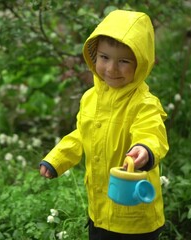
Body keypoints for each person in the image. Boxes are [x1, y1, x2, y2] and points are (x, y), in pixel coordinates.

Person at [39, 9, 169, 240]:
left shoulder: (143, 103)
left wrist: (145, 149)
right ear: (94, 56)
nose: (111, 69)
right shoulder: (91, 98)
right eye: (104, 57)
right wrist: (57, 159)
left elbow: (152, 133)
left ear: (141, 63)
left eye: (124, 61)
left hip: (135, 216)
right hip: (99, 210)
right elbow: (82, 134)